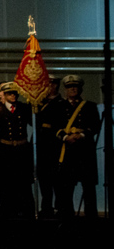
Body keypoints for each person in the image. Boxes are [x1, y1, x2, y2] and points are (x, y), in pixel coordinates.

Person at [54, 75, 100, 218]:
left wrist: (81, 135)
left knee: (89, 187)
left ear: (80, 89)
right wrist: (66, 137)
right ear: (66, 89)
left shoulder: (90, 106)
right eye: (69, 87)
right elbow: (55, 126)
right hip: (67, 151)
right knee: (66, 187)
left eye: (75, 87)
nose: (73, 89)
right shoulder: (59, 106)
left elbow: (95, 125)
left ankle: (91, 216)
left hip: (85, 151)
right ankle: (67, 216)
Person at [0, 82, 34, 218]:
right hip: (5, 150)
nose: (13, 96)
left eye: (14, 93)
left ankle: (27, 212)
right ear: (5, 95)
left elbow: (32, 121)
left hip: (21, 150)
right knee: (6, 184)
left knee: (24, 183)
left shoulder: (24, 108)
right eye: (9, 93)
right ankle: (8, 212)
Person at [36, 75, 66, 218]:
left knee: (58, 181)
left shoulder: (62, 103)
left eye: (53, 84)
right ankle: (46, 207)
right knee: (44, 179)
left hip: (56, 145)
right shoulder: (39, 103)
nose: (51, 87)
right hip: (42, 147)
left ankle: (60, 208)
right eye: (48, 84)